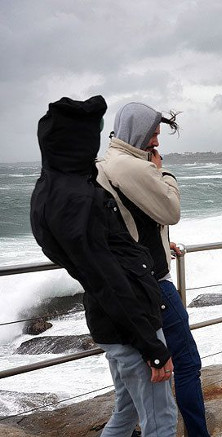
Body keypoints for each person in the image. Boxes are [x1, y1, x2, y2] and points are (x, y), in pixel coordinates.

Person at [29, 96, 177, 435]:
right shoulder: (75, 199)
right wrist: (151, 347)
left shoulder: (52, 189)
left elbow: (100, 264)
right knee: (161, 420)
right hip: (130, 325)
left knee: (125, 412)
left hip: (111, 322)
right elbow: (107, 279)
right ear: (79, 142)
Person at [96, 102, 210, 436]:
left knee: (127, 401)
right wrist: (164, 173)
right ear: (139, 132)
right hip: (153, 285)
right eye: (154, 134)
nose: (157, 142)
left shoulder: (103, 164)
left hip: (123, 284)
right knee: (187, 364)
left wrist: (162, 245)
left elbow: (132, 219)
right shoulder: (136, 167)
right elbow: (170, 209)